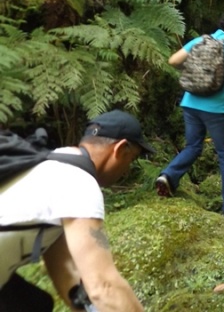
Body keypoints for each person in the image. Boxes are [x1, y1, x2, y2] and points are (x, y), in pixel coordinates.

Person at [0, 109, 154, 312]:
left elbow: (66, 272)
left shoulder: (49, 165)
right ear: (120, 149)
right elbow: (104, 287)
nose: (127, 170)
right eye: (131, 159)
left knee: (35, 304)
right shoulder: (79, 183)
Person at [157, 11, 224, 220]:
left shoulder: (202, 40)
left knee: (193, 146)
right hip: (216, 109)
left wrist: (198, 72)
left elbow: (173, 60)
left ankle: (168, 176)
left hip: (190, 103)